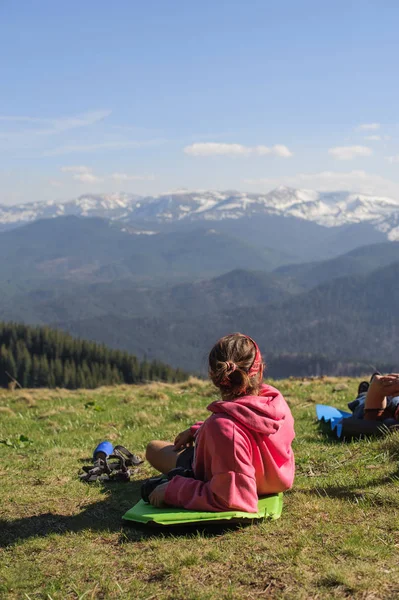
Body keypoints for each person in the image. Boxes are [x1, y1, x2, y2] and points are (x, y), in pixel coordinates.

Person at [145, 333, 295, 512]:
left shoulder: (223, 428)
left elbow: (231, 499)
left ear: (214, 376)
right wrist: (199, 430)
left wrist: (174, 489)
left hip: (238, 478)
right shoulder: (275, 402)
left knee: (153, 449)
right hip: (274, 480)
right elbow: (248, 422)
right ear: (260, 371)